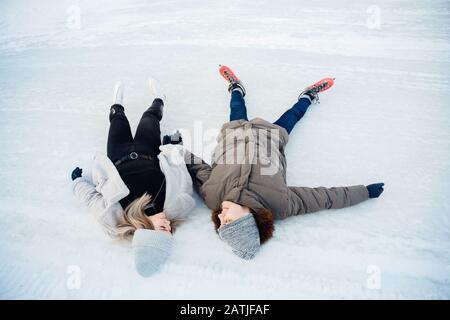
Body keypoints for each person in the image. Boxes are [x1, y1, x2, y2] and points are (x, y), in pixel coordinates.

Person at [184, 65, 385, 260]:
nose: (219, 216)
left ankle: (236, 88)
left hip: (234, 134)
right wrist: (365, 192)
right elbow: (324, 197)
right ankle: (308, 96)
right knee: (293, 115)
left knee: (236, 106)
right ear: (247, 220)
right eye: (227, 221)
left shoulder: (213, 197)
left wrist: (176, 149)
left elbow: (198, 168)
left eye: (220, 222)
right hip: (271, 139)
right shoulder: (280, 204)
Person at [70, 78, 195, 276]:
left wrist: (77, 182)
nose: (169, 225)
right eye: (170, 230)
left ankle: (117, 103)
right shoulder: (175, 205)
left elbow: (92, 200)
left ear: (147, 233)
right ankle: (158, 99)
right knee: (150, 117)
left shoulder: (117, 218)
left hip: (118, 155)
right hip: (148, 149)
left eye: (163, 229)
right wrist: (174, 147)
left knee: (117, 119)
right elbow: (182, 175)